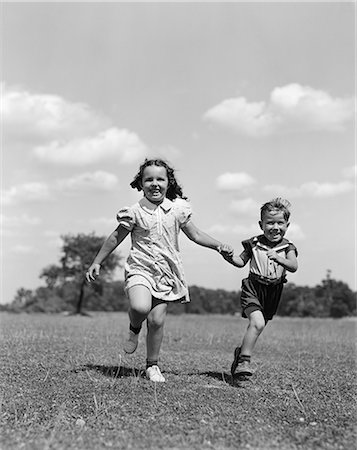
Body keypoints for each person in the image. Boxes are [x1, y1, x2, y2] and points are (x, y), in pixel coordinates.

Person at [86, 158, 233, 383]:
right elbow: (116, 236)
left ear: (168, 182)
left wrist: (218, 245)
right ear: (141, 183)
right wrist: (98, 261)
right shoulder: (134, 212)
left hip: (166, 272)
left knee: (156, 321)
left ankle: (152, 365)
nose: (155, 184)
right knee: (140, 306)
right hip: (140, 267)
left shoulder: (178, 209)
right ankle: (134, 327)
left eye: (160, 179)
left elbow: (195, 234)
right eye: (149, 179)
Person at [222, 198, 298, 378]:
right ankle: (244, 361)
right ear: (261, 224)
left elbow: (293, 266)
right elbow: (240, 262)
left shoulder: (288, 247)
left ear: (287, 225)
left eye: (280, 223)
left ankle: (240, 353)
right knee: (257, 323)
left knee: (259, 325)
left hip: (273, 291)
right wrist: (228, 256)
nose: (275, 227)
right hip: (253, 287)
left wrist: (280, 258)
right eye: (270, 222)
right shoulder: (254, 243)